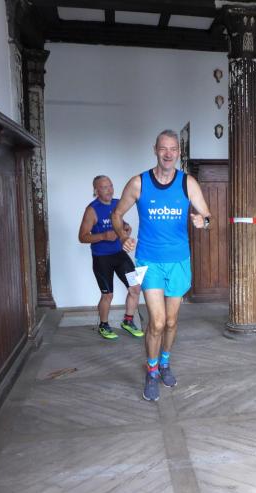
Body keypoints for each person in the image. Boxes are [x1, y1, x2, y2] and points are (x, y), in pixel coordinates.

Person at [112, 130, 212, 401]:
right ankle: (152, 370)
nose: (168, 154)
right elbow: (117, 214)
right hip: (149, 261)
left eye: (173, 149)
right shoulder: (139, 183)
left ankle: (165, 361)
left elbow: (207, 215)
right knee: (156, 322)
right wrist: (122, 236)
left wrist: (204, 222)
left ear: (178, 152)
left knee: (170, 321)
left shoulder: (187, 183)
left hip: (179, 261)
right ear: (155, 149)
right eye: (163, 148)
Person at [78, 175, 144, 340]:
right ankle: (104, 325)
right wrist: (103, 236)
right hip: (102, 258)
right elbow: (82, 237)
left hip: (120, 255)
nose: (109, 190)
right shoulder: (92, 210)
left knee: (135, 288)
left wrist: (125, 228)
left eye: (111, 186)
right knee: (107, 295)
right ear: (96, 191)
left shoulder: (117, 203)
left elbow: (120, 223)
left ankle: (128, 321)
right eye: (104, 187)